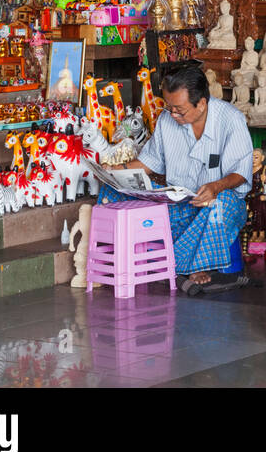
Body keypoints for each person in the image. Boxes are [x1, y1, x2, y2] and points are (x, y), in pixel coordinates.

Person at [102, 66, 253, 295]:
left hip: (213, 205)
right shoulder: (166, 120)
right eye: (168, 107)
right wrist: (115, 170)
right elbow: (149, 162)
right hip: (177, 205)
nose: (172, 115)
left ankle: (190, 267)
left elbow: (241, 172)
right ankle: (163, 265)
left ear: (201, 103)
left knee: (222, 204)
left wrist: (215, 187)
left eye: (179, 110)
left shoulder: (230, 120)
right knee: (110, 191)